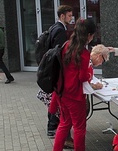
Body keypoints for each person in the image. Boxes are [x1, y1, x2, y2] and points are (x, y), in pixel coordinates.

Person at [52, 18, 97, 151]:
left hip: (62, 91)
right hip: (75, 94)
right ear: (89, 35)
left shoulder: (66, 45)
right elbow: (83, 76)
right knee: (79, 126)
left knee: (65, 122)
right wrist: (90, 74)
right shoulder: (83, 53)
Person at [39, 5, 73, 138]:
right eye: (69, 16)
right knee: (56, 99)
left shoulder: (53, 27)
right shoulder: (60, 30)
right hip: (56, 70)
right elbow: (60, 52)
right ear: (62, 15)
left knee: (54, 99)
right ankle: (53, 126)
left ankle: (52, 126)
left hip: (51, 68)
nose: (71, 18)